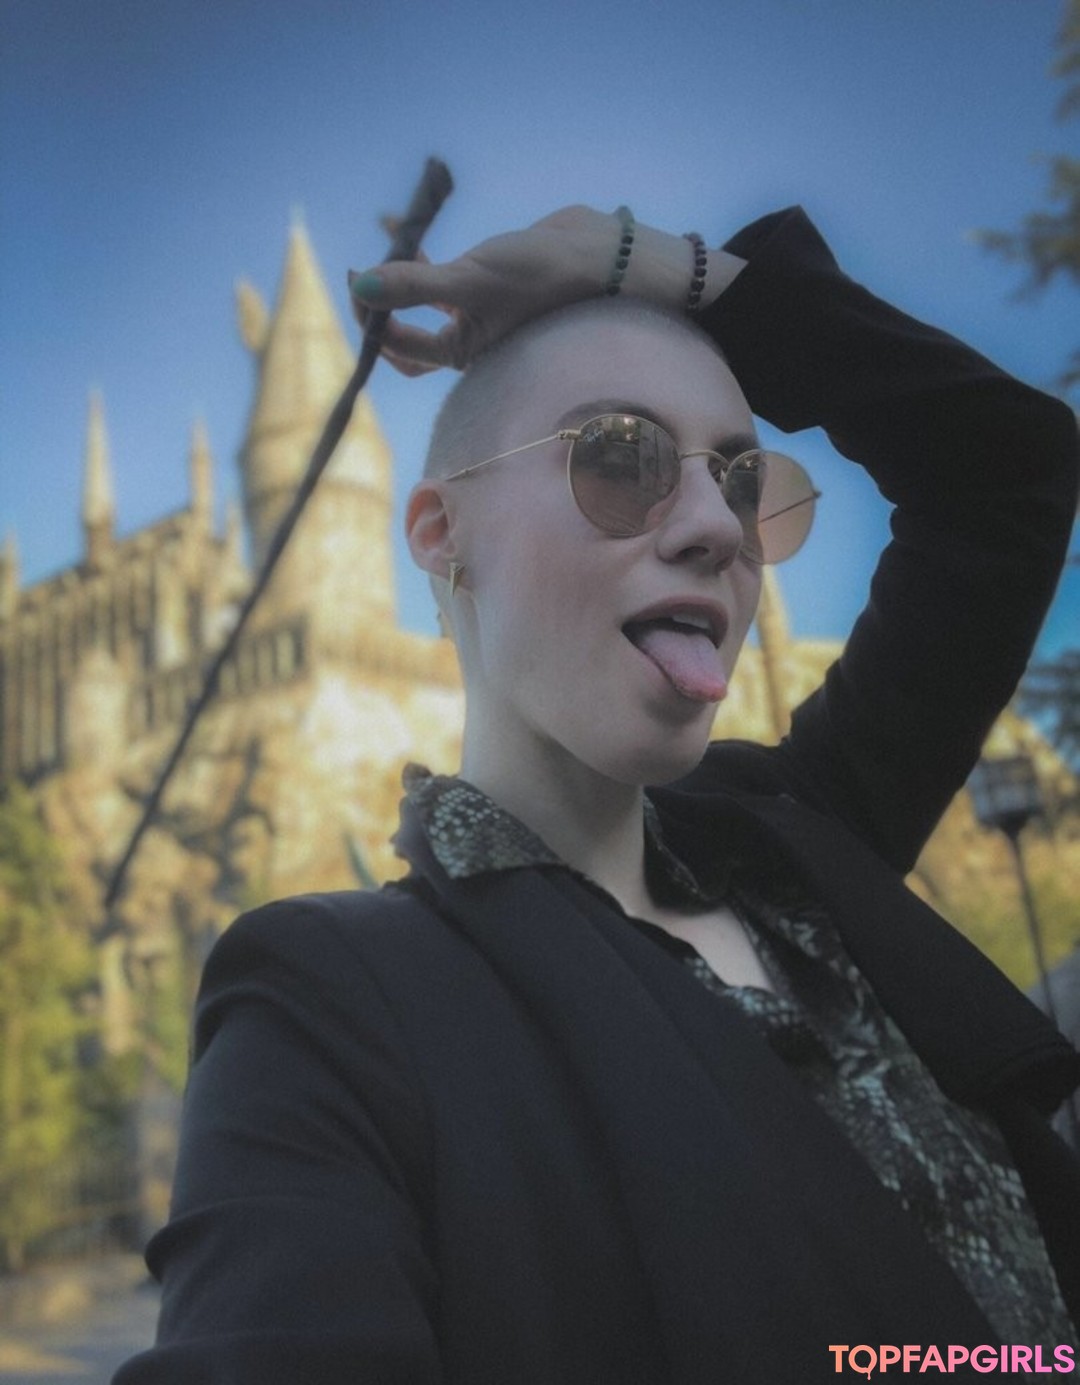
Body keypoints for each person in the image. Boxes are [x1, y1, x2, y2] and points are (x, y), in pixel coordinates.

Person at [115, 203, 1080, 1383]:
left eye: (740, 479)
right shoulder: (328, 1001)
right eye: (619, 457)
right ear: (442, 532)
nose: (716, 527)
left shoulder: (803, 837)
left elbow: (1007, 468)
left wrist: (652, 266)